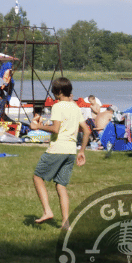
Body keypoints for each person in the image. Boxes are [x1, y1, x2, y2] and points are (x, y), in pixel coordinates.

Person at [30, 77, 92, 228]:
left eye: (53, 91)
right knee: (61, 186)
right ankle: (65, 223)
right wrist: (82, 151)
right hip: (71, 151)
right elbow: (87, 130)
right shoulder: (75, 108)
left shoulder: (57, 107)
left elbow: (55, 129)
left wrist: (38, 127)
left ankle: (47, 211)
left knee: (37, 177)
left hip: (57, 149)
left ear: (58, 92)